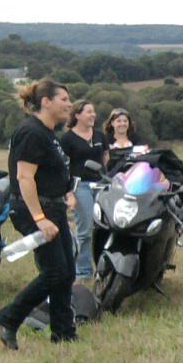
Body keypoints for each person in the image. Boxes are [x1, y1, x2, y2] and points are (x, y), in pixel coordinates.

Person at [0, 79, 77, 350]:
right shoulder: (31, 132)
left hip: (53, 208)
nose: (69, 104)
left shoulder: (48, 133)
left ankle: (63, 333)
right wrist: (40, 219)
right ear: (46, 101)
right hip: (35, 210)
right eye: (63, 99)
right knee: (54, 272)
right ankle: (8, 317)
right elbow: (24, 177)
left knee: (67, 272)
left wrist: (66, 192)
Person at [60, 101, 107, 280]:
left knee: (104, 227)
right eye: (89, 112)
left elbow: (106, 160)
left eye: (93, 111)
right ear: (77, 115)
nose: (93, 115)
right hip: (80, 187)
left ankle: (104, 269)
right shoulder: (67, 139)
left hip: (101, 185)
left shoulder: (100, 136)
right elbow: (63, 166)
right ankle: (83, 271)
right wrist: (69, 192)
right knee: (85, 229)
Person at [104, 107, 138, 175]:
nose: (122, 124)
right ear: (112, 123)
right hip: (111, 178)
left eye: (125, 121)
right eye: (119, 121)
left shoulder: (136, 139)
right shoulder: (105, 140)